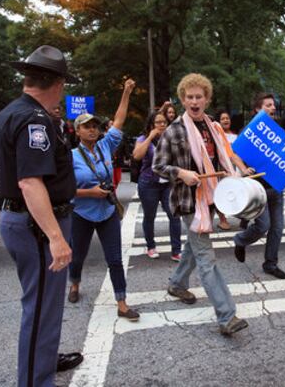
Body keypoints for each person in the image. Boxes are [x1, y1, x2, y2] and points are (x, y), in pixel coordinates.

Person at [0, 45, 83, 386]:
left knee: (44, 305)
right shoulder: (34, 120)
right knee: (40, 309)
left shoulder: (8, 113)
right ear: (56, 84)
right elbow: (30, 182)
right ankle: (35, 379)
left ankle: (43, 359)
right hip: (38, 224)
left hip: (25, 220)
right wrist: (56, 237)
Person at [152, 73, 249, 336]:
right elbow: (157, 165)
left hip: (211, 196)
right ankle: (226, 316)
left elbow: (224, 158)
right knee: (206, 256)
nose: (194, 101)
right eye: (189, 97)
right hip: (189, 201)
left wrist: (237, 171)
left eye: (199, 96)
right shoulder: (174, 130)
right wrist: (181, 173)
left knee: (194, 247)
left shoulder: (214, 127)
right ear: (183, 100)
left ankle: (177, 283)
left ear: (207, 99)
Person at [67, 79, 140, 322]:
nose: (92, 130)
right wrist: (89, 193)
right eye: (86, 126)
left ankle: (121, 302)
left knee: (115, 259)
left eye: (95, 126)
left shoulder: (106, 145)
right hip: (82, 213)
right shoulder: (70, 157)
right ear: (77, 131)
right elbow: (64, 190)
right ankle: (75, 284)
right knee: (77, 256)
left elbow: (119, 120)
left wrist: (126, 92)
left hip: (107, 212)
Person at [233, 85, 285, 279]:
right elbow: (234, 152)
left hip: (276, 187)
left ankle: (270, 263)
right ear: (257, 110)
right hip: (257, 189)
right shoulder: (249, 130)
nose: (272, 108)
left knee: (277, 229)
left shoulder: (277, 126)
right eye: (268, 105)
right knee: (263, 226)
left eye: (273, 105)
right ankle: (240, 239)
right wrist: (244, 169)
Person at [132, 107, 182, 261]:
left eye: (164, 122)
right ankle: (151, 246)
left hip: (168, 183)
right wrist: (150, 137)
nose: (161, 125)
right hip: (149, 184)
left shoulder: (171, 138)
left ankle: (176, 250)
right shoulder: (142, 139)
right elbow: (137, 156)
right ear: (151, 125)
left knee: (174, 216)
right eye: (158, 122)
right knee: (149, 216)